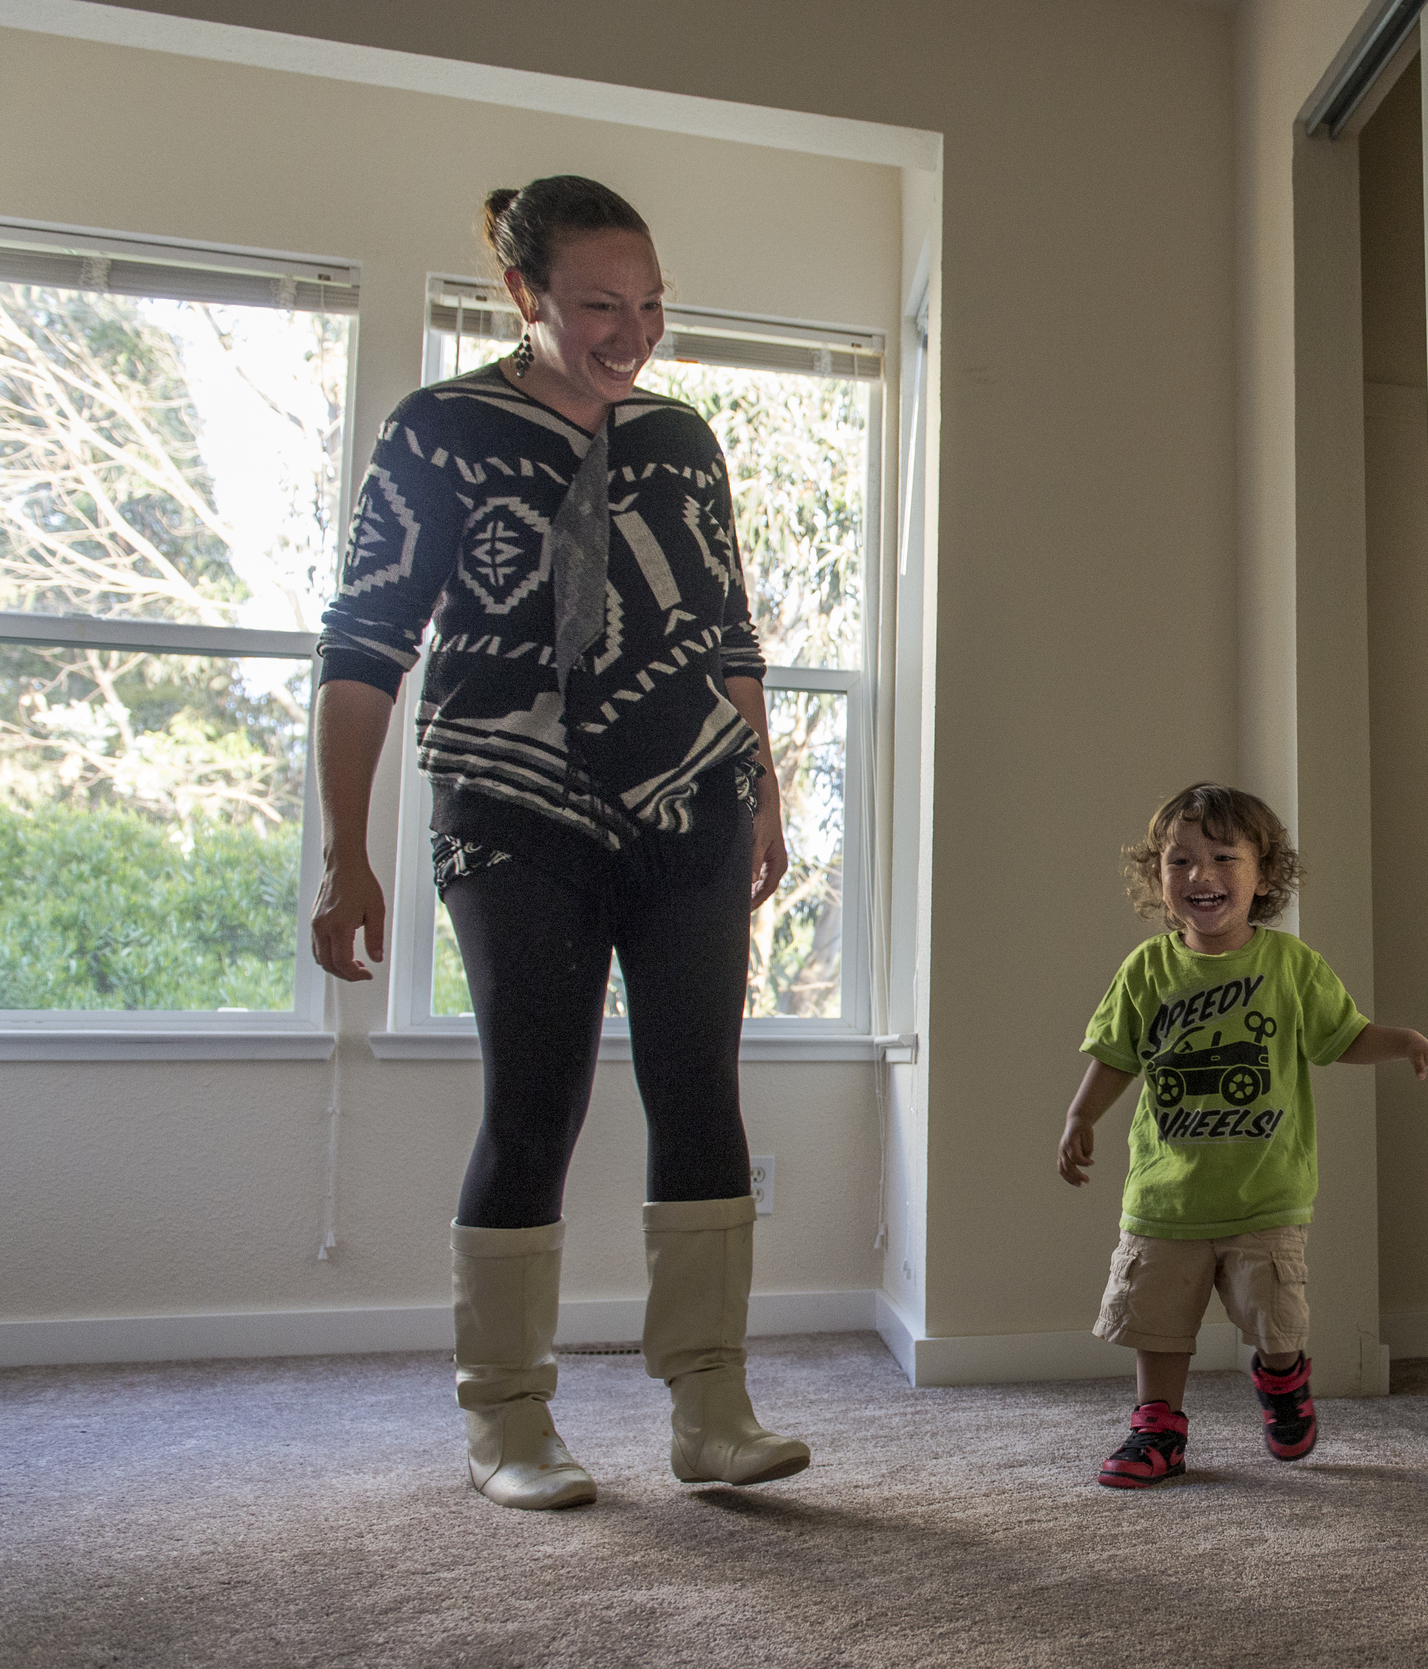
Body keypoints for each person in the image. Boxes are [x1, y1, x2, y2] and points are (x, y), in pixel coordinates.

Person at [310, 175, 807, 1510]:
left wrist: (759, 785)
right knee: (537, 1100)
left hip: (689, 800)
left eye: (648, 305)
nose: (629, 331)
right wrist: (343, 852)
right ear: (524, 295)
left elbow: (728, 628)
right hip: (511, 804)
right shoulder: (439, 430)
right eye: (597, 304)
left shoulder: (682, 437)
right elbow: (363, 647)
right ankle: (508, 1421)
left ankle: (712, 1406)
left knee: (701, 1091)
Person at [1056, 783, 1428, 1487]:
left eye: (1222, 857)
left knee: (1279, 1322)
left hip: (1265, 1194)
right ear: (1157, 877)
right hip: (1165, 1197)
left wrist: (1403, 1041)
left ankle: (1282, 1384)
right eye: (1179, 860)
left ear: (1264, 875)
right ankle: (1156, 1426)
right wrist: (1081, 1115)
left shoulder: (1290, 965)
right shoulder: (1147, 971)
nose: (1200, 876)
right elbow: (1115, 1054)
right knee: (1157, 1322)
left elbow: (1343, 1036)